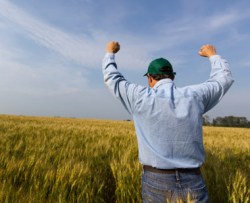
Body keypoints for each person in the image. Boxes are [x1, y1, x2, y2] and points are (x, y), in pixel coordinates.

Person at [102, 41, 234, 202]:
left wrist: (110, 53)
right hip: (193, 180)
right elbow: (223, 80)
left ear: (149, 78)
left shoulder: (139, 97)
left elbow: (112, 78)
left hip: (155, 180)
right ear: (173, 76)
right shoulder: (195, 96)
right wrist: (213, 55)